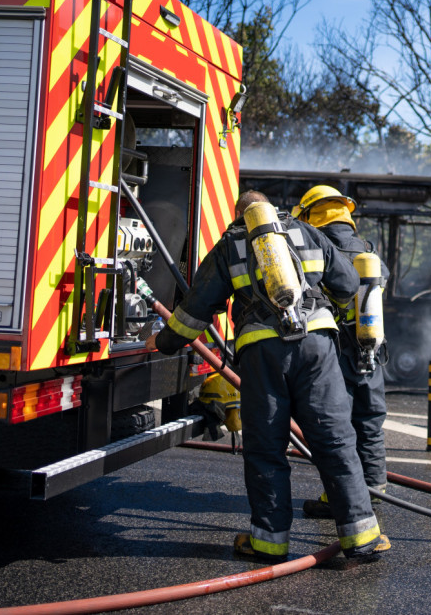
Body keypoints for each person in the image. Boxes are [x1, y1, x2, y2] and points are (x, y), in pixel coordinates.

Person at [145, 190, 389, 562]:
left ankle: (270, 543)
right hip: (317, 349)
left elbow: (196, 310)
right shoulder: (308, 233)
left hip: (262, 354)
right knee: (335, 439)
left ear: (240, 214)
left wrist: (163, 342)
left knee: (266, 448)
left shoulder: (232, 244)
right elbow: (347, 285)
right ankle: (362, 538)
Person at [291, 185, 390, 518]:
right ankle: (374, 489)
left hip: (335, 349)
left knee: (338, 427)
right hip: (372, 348)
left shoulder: (317, 248)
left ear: (310, 215)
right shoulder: (369, 250)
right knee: (370, 419)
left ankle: (338, 498)